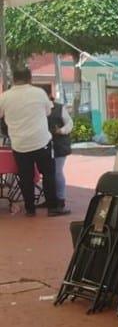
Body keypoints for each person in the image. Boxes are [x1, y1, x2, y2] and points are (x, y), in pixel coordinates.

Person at [0, 67, 70, 217]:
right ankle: (53, 208)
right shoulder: (39, 93)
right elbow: (48, 112)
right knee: (48, 174)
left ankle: (30, 209)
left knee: (25, 177)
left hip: (19, 144)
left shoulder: (4, 97)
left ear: (13, 79)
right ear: (30, 78)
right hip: (41, 142)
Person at [43, 92, 73, 209]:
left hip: (59, 144)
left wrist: (61, 131)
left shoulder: (59, 108)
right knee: (48, 173)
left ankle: (60, 199)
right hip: (44, 145)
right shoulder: (38, 110)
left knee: (57, 172)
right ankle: (50, 199)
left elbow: (70, 123)